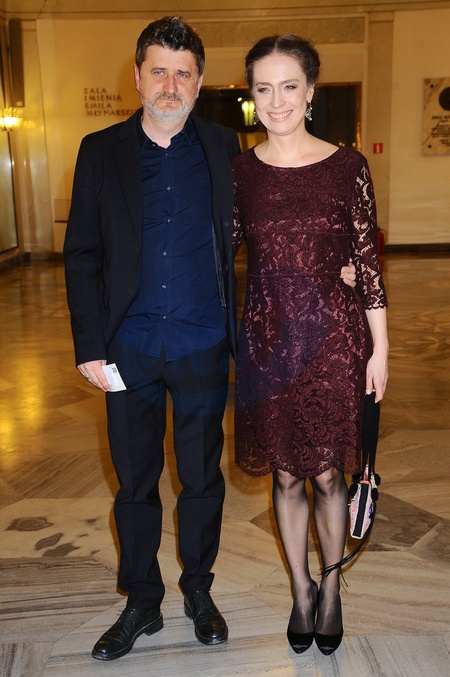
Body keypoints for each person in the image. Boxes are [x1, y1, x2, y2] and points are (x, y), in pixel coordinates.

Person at [64, 16, 356, 661]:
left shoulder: (229, 150)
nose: (170, 85)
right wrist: (90, 345)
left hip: (203, 346)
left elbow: (282, 218)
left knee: (202, 482)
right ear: (137, 76)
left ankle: (199, 591)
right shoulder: (99, 151)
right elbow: (81, 253)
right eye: (159, 71)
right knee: (134, 485)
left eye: (184, 74)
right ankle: (141, 601)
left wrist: (338, 264)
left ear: (199, 83)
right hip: (129, 347)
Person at [232, 34, 388, 657]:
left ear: (311, 92)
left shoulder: (348, 167)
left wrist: (381, 350)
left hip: (335, 343)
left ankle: (330, 586)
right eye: (263, 88)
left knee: (327, 474)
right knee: (286, 474)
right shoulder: (240, 172)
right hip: (270, 346)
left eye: (289, 86)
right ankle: (300, 590)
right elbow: (215, 251)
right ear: (252, 96)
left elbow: (367, 266)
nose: (277, 101)